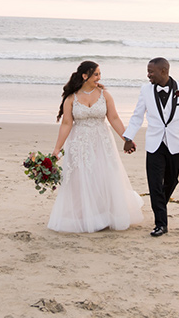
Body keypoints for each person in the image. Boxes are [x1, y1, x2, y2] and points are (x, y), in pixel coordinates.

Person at [48, 61, 143, 233]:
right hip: (79, 143)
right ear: (85, 76)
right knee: (80, 180)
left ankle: (105, 215)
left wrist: (126, 138)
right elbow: (66, 124)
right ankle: (84, 217)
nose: (99, 77)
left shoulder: (104, 95)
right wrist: (57, 149)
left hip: (101, 141)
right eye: (96, 74)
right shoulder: (71, 98)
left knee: (104, 176)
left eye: (100, 74)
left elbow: (114, 118)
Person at [123, 57, 179, 237]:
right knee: (155, 184)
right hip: (154, 144)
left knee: (172, 181)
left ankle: (159, 207)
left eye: (151, 71)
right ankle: (161, 224)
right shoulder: (146, 90)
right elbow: (137, 115)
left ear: (163, 71)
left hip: (176, 144)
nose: (148, 75)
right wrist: (128, 137)